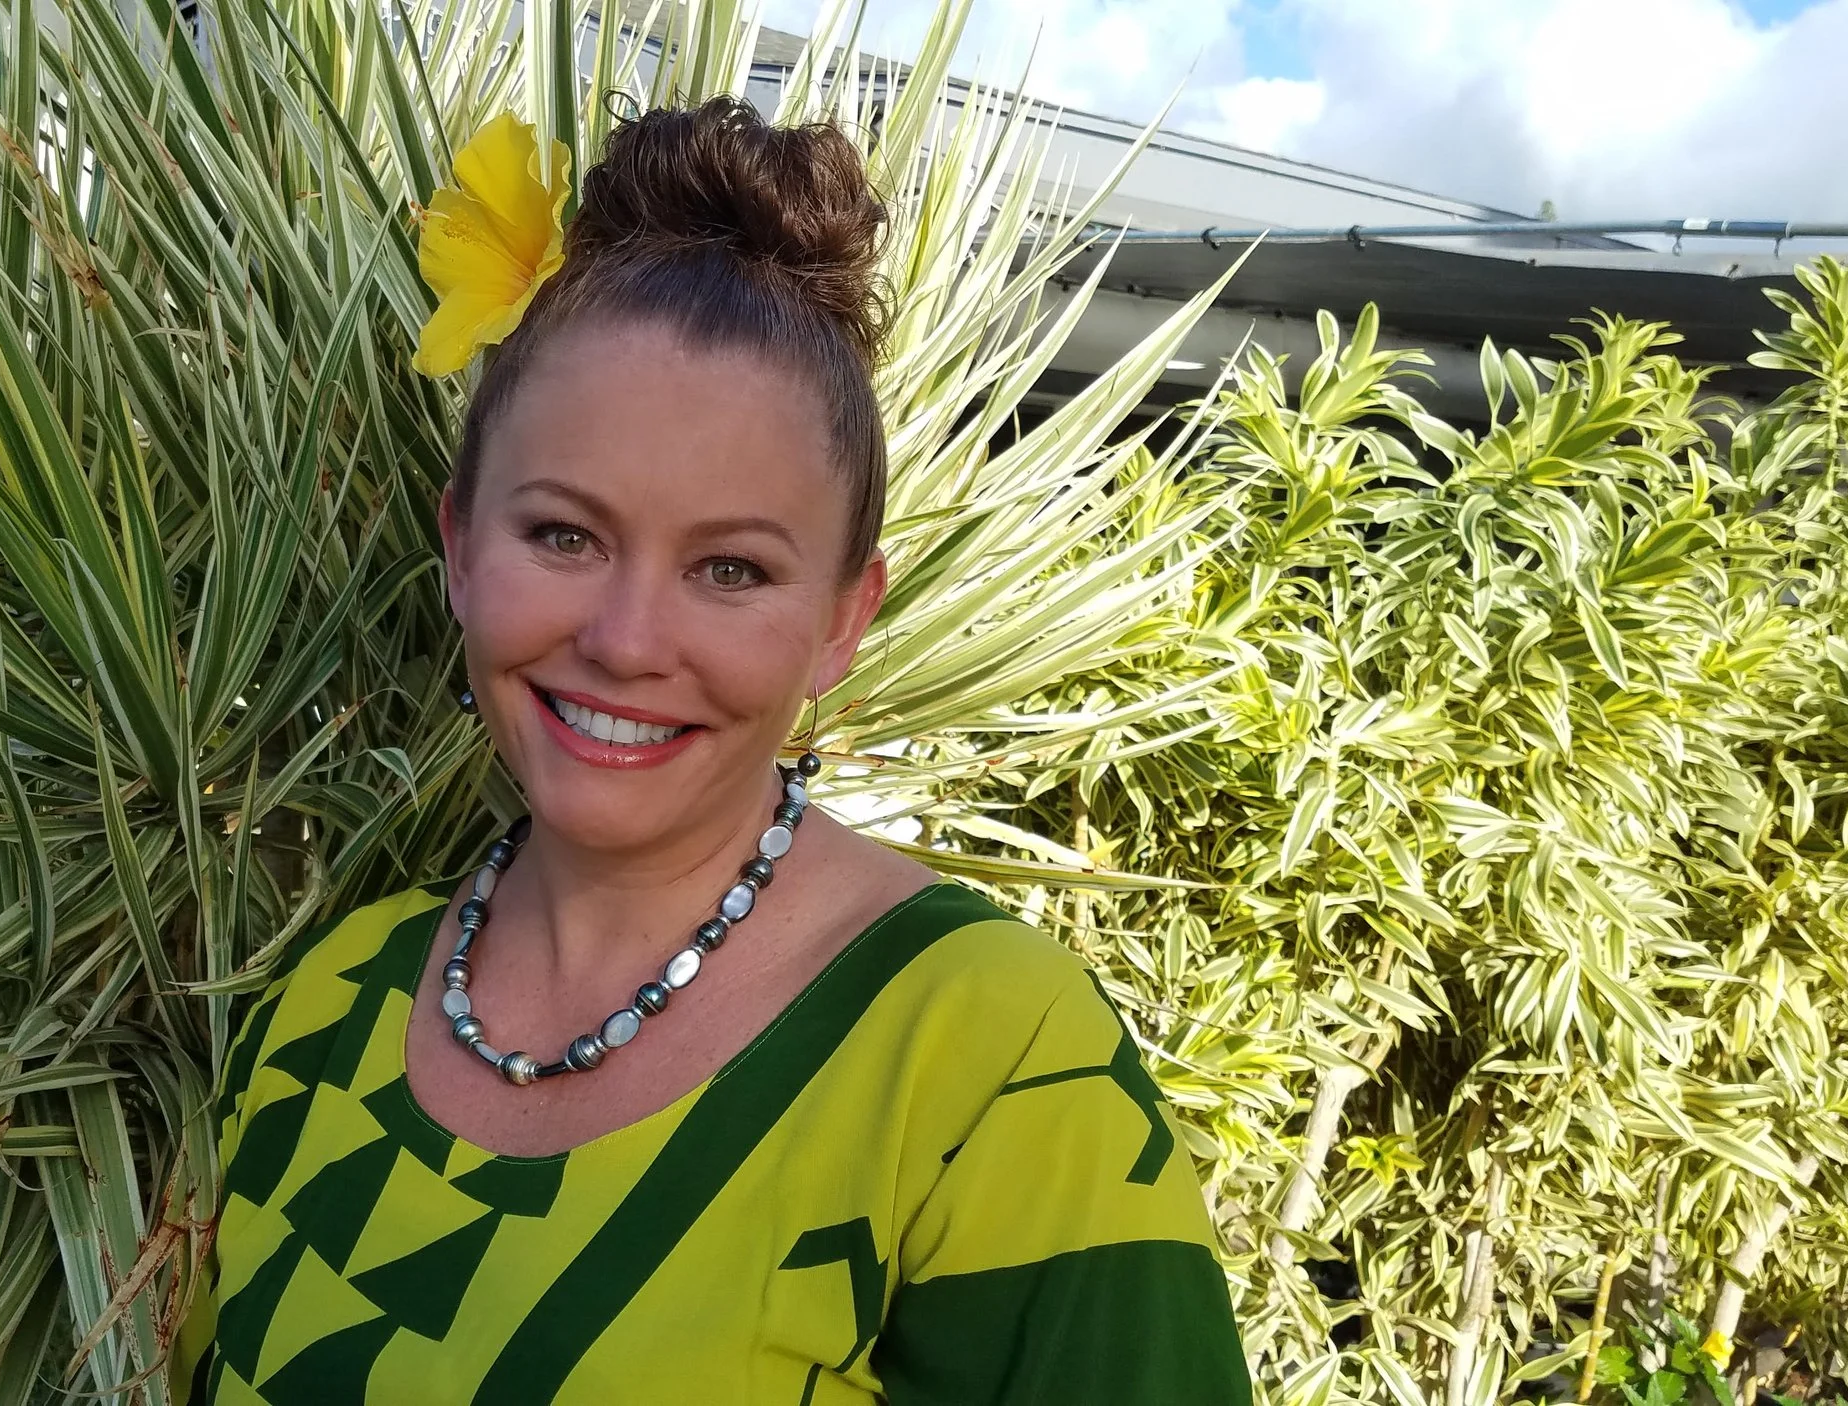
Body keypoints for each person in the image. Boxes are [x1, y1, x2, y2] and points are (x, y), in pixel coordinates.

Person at [177, 96, 1250, 1405]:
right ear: (462, 547)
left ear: (846, 619)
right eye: (565, 535)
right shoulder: (329, 1005)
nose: (628, 641)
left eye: (731, 567)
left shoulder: (986, 1056)